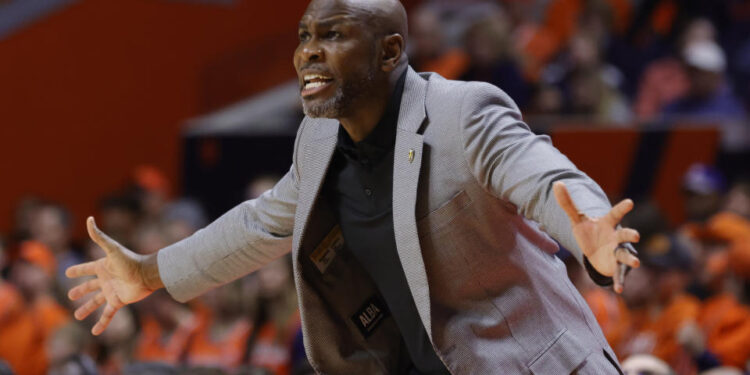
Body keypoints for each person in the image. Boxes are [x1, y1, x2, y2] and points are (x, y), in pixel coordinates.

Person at [66, 0, 641, 373]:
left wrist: (588, 237)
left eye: (333, 35)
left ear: (389, 51)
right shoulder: (317, 141)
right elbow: (259, 224)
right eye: (304, 36)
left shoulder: (461, 112)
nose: (307, 52)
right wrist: (148, 273)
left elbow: (543, 176)